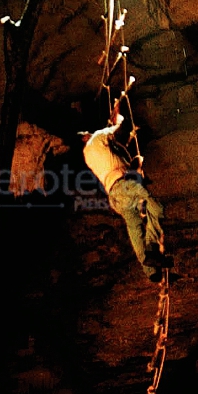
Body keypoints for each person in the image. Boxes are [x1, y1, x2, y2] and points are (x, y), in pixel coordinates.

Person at [82, 113, 170, 281]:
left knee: (134, 228)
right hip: (124, 186)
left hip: (114, 196)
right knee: (156, 207)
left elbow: (114, 153)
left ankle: (150, 271)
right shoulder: (97, 137)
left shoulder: (87, 156)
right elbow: (117, 126)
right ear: (86, 136)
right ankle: (151, 250)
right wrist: (118, 116)